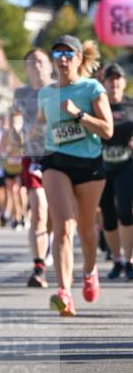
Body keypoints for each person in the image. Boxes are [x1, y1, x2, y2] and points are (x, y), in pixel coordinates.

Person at [37, 35, 113, 316]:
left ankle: (90, 271)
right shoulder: (45, 93)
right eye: (57, 55)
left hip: (89, 166)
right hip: (55, 162)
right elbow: (40, 124)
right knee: (64, 226)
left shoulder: (92, 88)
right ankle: (64, 293)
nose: (63, 59)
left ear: (80, 59)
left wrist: (79, 115)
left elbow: (107, 130)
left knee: (85, 229)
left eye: (69, 54)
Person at [13, 48, 53, 288]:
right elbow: (16, 117)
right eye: (31, 63)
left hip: (59, 157)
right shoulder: (21, 93)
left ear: (48, 65)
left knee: (53, 216)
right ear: (26, 68)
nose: (36, 66)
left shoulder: (59, 90)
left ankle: (49, 241)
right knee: (38, 209)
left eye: (40, 61)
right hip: (33, 157)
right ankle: (38, 267)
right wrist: (15, 130)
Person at [100, 63, 133, 279]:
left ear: (124, 82)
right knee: (108, 215)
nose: (114, 82)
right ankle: (117, 259)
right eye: (110, 79)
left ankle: (129, 260)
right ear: (104, 83)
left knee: (125, 210)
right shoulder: (97, 104)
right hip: (101, 165)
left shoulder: (131, 105)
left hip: (127, 164)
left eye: (117, 78)